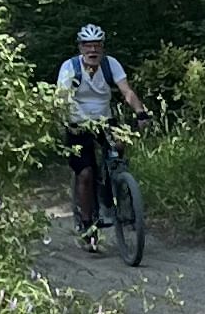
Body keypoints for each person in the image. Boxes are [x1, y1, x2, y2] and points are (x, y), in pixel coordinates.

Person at [54, 23, 143, 244]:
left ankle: (115, 188)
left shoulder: (110, 65)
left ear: (102, 47)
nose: (92, 51)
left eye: (96, 46)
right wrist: (62, 120)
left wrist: (141, 112)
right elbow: (61, 97)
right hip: (77, 123)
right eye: (88, 46)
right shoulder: (70, 67)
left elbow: (126, 91)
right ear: (80, 47)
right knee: (85, 173)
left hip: (104, 120)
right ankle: (87, 223)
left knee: (119, 147)